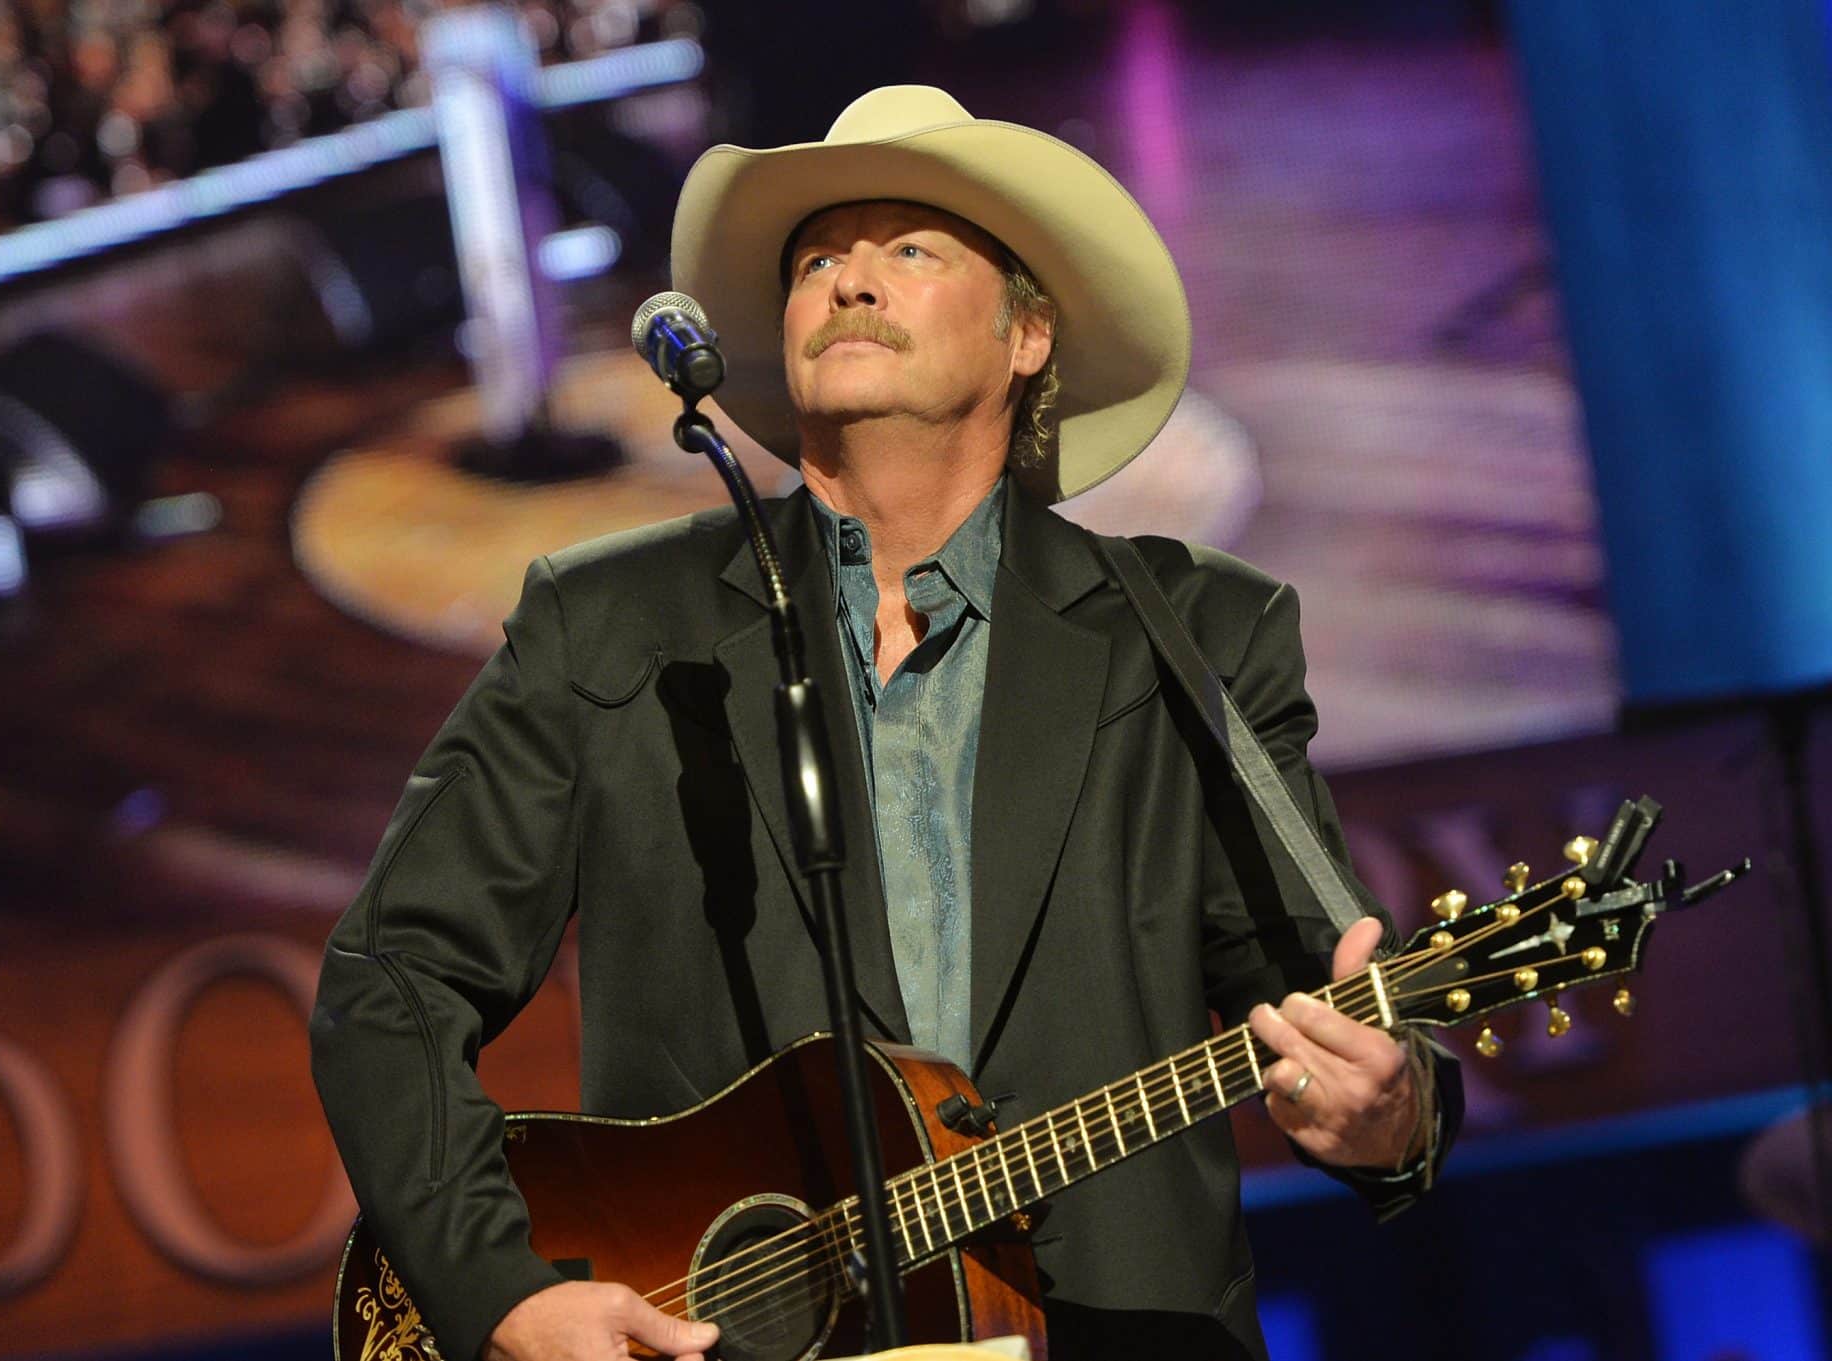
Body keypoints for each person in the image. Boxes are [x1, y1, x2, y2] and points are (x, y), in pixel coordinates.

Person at [310, 85, 1461, 1361]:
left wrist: (1390, 1111)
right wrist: (500, 1291)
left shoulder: (1195, 635)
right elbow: (391, 979)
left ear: (1028, 334)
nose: (849, 281)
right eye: (816, 259)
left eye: (907, 247)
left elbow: (1341, 1006)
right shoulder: (609, 628)